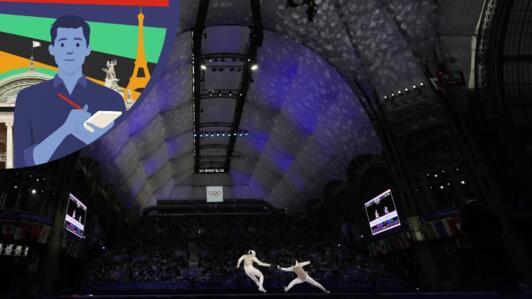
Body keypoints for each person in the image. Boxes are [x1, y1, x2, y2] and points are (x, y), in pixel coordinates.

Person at [14, 15, 126, 168]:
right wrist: (65, 130)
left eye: (77, 44)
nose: (69, 51)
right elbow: (22, 162)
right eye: (62, 44)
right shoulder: (28, 98)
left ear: (87, 49)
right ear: (52, 49)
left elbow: (125, 160)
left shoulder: (112, 100)